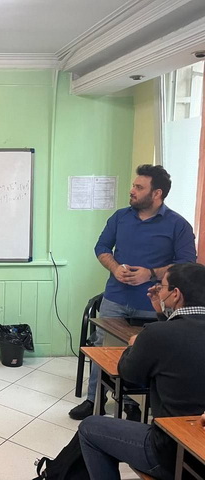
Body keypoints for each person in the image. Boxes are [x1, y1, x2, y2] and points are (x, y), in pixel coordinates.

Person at [70, 164, 196, 421]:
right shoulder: (120, 217)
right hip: (115, 298)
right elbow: (102, 247)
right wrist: (115, 267)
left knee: (142, 352)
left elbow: (186, 264)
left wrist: (151, 273)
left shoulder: (178, 225)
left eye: (139, 187)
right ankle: (94, 399)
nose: (132, 190)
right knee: (102, 347)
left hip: (152, 303)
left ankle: (132, 403)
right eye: (133, 185)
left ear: (157, 193)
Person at [78, 263, 205, 480]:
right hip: (200, 454)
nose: (159, 291)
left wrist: (134, 345)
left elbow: (129, 375)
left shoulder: (156, 334)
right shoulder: (162, 332)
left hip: (171, 454)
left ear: (176, 294)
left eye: (162, 287)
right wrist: (161, 314)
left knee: (89, 428)